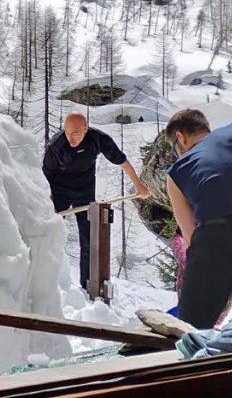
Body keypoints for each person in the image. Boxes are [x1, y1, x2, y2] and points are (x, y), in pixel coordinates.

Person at [42, 113, 151, 293]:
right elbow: (44, 178)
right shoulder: (56, 146)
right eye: (67, 132)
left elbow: (122, 161)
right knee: (48, 232)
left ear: (86, 129)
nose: (71, 137)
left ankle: (87, 286)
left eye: (76, 132)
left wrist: (139, 186)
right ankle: (45, 280)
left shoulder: (98, 139)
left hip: (84, 190)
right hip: (58, 190)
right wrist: (47, 202)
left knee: (89, 240)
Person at [164, 109, 232, 328]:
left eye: (175, 149)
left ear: (180, 137)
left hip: (211, 241)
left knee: (189, 330)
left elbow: (191, 235)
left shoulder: (175, 175)